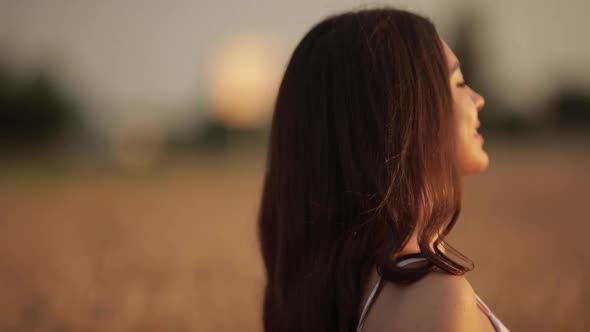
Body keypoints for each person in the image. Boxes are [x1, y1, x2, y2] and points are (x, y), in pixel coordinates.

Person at [258, 7, 509, 332]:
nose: (478, 99)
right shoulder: (434, 298)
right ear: (404, 114)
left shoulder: (346, 288)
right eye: (459, 83)